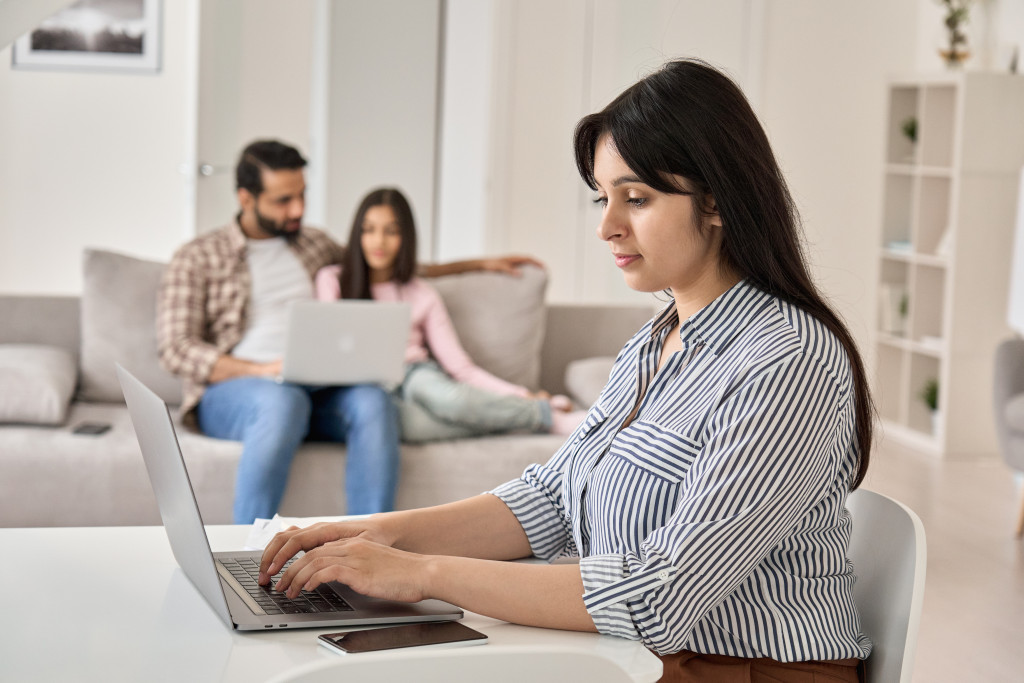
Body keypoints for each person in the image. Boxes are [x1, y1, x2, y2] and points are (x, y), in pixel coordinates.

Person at [256, 60, 874, 682]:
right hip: (638, 656)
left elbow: (661, 596)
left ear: (716, 200)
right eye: (604, 199)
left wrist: (421, 574)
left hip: (745, 670)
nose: (607, 226)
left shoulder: (789, 358)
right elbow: (551, 499)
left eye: (637, 199)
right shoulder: (653, 343)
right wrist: (376, 535)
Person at [157, 139, 539, 525]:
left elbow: (382, 263)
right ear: (246, 198)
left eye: (302, 195)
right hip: (241, 391)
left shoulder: (312, 244)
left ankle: (368, 553)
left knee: (374, 402)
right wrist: (262, 370)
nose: (298, 210)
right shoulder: (198, 257)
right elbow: (175, 349)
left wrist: (476, 264)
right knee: (281, 402)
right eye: (283, 200)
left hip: (317, 387)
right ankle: (246, 553)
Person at [314, 187, 586, 442]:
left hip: (413, 374)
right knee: (405, 425)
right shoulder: (332, 280)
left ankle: (546, 417)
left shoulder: (422, 294)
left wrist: (521, 394)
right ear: (356, 234)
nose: (378, 241)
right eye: (369, 230)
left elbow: (461, 368)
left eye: (391, 231)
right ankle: (533, 415)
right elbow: (330, 351)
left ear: (405, 238)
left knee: (451, 401)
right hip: (366, 388)